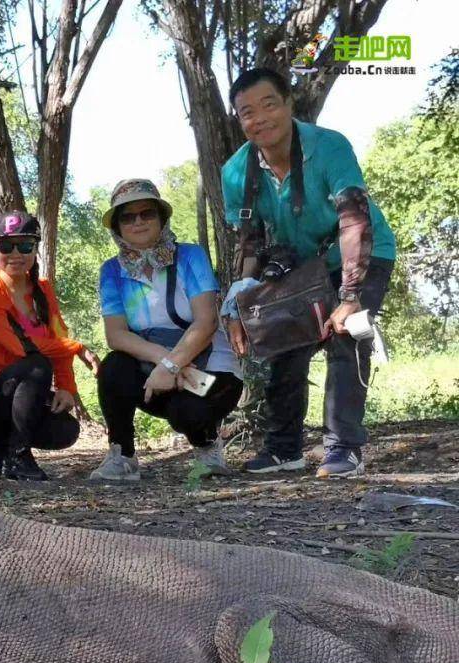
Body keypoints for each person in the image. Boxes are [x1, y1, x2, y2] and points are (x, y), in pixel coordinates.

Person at [221, 68, 395, 478]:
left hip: (362, 252)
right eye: (247, 112)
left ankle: (344, 449)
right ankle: (284, 449)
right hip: (301, 265)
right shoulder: (235, 171)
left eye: (268, 105)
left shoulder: (329, 145)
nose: (259, 119)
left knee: (347, 334)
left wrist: (350, 296)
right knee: (280, 338)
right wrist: (240, 307)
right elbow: (248, 241)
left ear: (288, 104)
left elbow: (354, 219)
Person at [90, 179, 243, 482]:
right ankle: (122, 454)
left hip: (210, 367)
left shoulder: (190, 256)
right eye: (127, 216)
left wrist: (174, 364)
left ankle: (207, 444)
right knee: (113, 368)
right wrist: (165, 362)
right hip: (157, 369)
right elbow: (116, 335)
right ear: (117, 226)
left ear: (161, 217)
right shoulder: (111, 271)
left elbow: (206, 322)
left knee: (188, 413)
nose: (138, 222)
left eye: (147, 213)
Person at [0, 211, 92, 481]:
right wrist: (77, 347)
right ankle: (18, 455)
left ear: (35, 248)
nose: (16, 253)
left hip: (23, 389)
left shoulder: (43, 289)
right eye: (6, 246)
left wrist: (66, 386)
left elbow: (57, 335)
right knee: (35, 364)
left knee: (65, 429)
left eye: (25, 245)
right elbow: (21, 347)